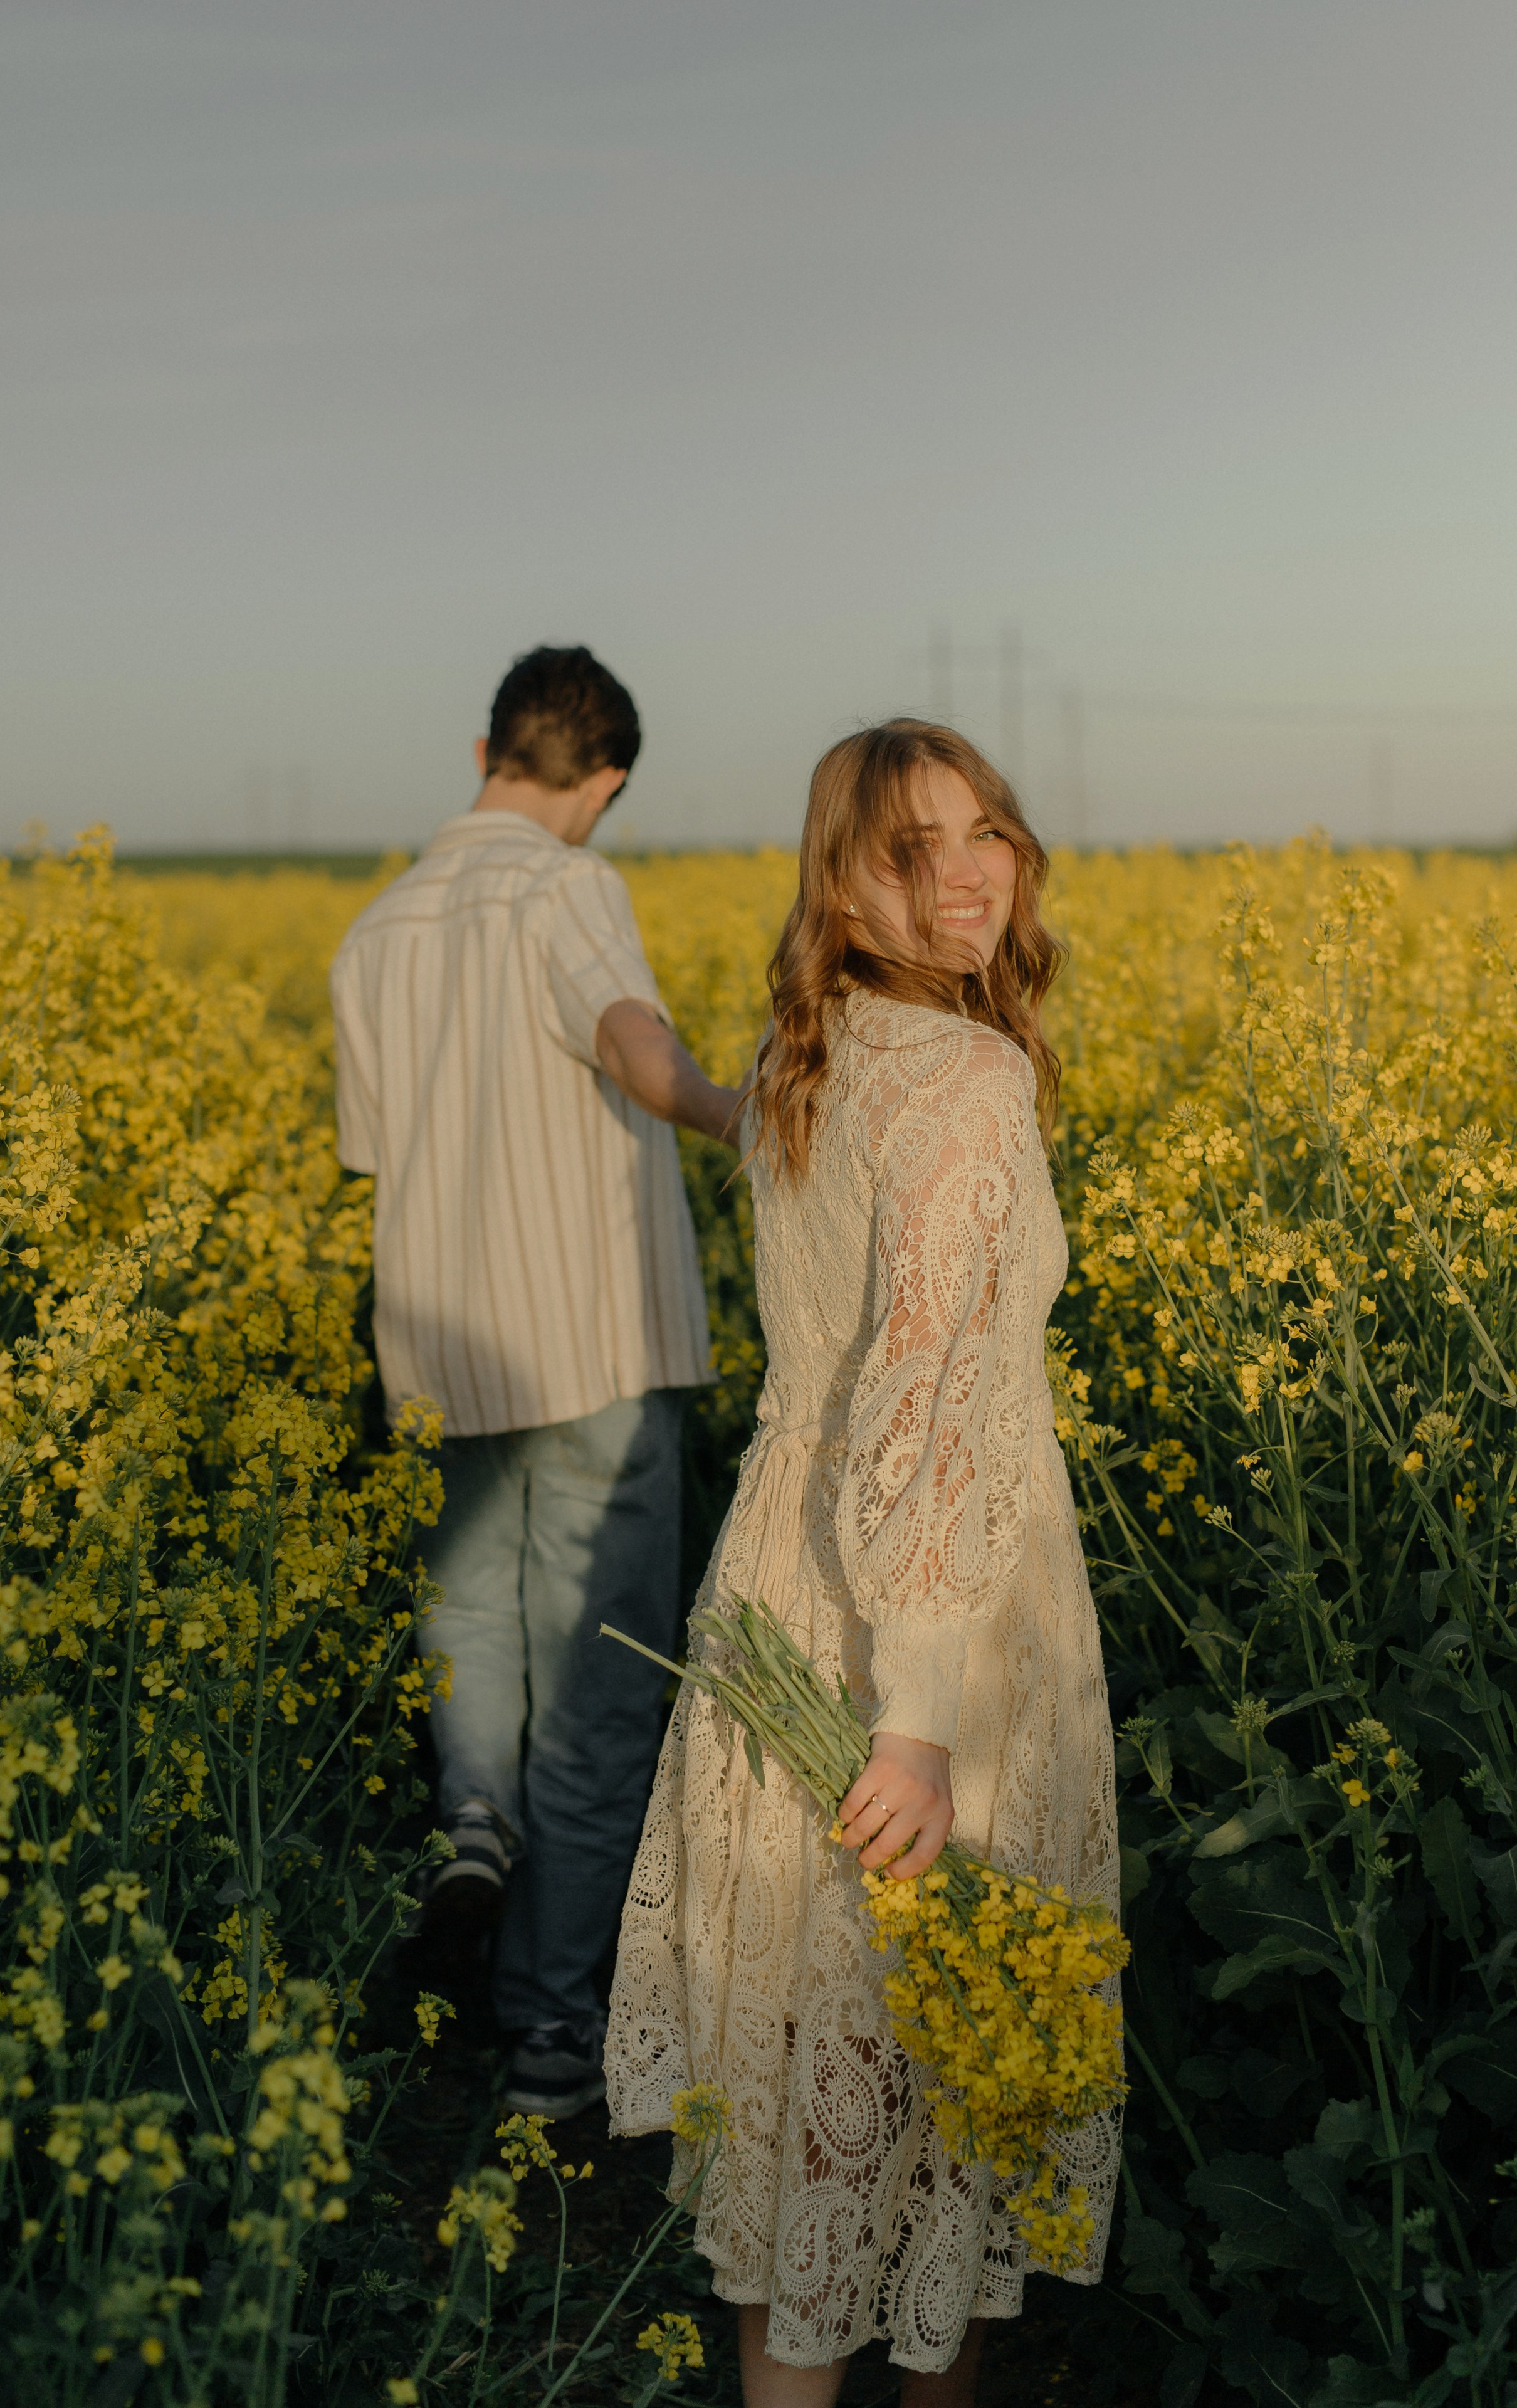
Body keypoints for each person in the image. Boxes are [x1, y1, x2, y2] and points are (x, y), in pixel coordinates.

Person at [606, 721, 1120, 2404]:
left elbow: (791, 1186)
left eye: (989, 833)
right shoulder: (963, 1078)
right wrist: (916, 1715)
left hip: (783, 1574)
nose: (969, 874)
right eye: (914, 848)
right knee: (940, 2060)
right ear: (843, 885)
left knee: (807, 2083)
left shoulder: (812, 1047)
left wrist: (672, 1085)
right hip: (934, 1613)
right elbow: (923, 1398)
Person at [331, 645, 742, 2119]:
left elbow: (372, 1156)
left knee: (469, 1616)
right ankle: (554, 2026)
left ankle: (472, 1822)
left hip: (439, 1353)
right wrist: (744, 1113)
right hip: (590, 1345)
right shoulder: (571, 887)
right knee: (597, 1685)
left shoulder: (374, 930)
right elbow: (630, 1043)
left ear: (486, 750)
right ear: (605, 781)